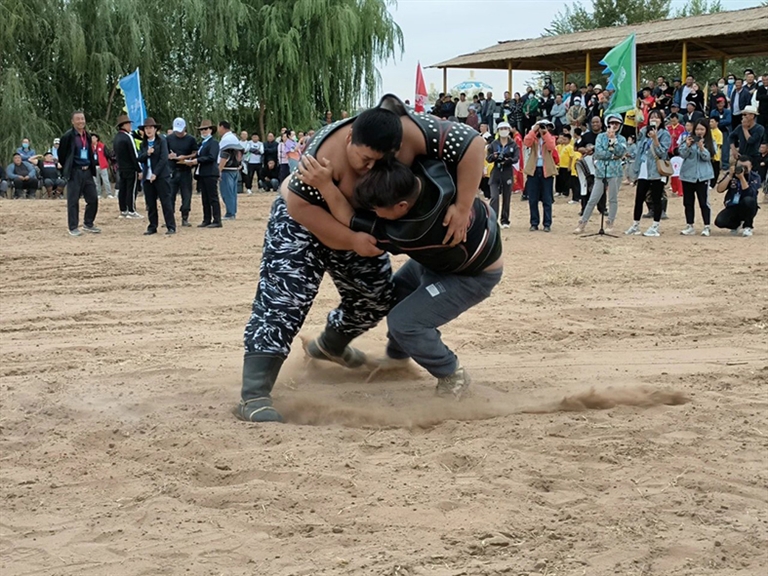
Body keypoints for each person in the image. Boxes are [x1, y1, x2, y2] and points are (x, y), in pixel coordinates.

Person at [235, 95, 484, 423]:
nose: (370, 168)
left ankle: (330, 346)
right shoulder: (319, 160)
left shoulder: (413, 131)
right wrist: (351, 240)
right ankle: (254, 394)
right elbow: (301, 209)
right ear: (350, 137)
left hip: (360, 222)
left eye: (381, 162)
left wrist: (463, 206)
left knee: (376, 297)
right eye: (365, 159)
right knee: (285, 297)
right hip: (302, 223)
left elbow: (472, 143)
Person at [302, 157, 503, 399]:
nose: (374, 213)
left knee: (405, 322)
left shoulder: (412, 230)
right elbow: (472, 147)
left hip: (469, 276)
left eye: (377, 209)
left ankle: (451, 373)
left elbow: (349, 220)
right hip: (442, 258)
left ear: (401, 206)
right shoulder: (435, 172)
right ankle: (397, 359)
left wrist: (325, 186)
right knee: (395, 294)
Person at [574, 114, 627, 234]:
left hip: (615, 172)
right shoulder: (600, 137)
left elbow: (620, 152)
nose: (614, 126)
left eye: (617, 124)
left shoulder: (621, 139)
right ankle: (582, 222)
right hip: (601, 171)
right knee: (593, 198)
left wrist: (613, 141)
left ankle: (610, 222)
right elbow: (599, 153)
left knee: (613, 198)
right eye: (611, 123)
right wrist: (612, 155)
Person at [625, 109, 671, 237]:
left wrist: (655, 139)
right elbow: (639, 150)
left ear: (661, 120)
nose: (654, 119)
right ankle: (635, 224)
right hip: (643, 168)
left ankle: (655, 225)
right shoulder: (644, 131)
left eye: (657, 117)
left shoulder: (664, 134)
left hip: (656, 169)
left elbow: (662, 153)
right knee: (639, 198)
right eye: (652, 117)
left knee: (656, 198)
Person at [58, 110, 100, 236]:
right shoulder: (68, 136)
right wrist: (68, 167)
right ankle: (73, 227)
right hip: (75, 171)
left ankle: (88, 223)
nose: (81, 121)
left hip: (87, 171)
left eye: (82, 118)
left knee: (93, 198)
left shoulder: (87, 136)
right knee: (73, 200)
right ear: (72, 121)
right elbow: (62, 154)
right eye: (78, 119)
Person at [137, 118, 176, 236]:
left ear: (155, 129)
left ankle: (171, 226)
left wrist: (156, 173)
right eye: (146, 128)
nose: (148, 130)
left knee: (166, 201)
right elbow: (140, 158)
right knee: (150, 203)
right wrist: (147, 153)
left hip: (161, 176)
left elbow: (163, 159)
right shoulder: (143, 144)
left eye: (150, 128)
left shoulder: (162, 141)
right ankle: (152, 226)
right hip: (147, 177)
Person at [678, 119, 716, 236]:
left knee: (703, 202)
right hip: (688, 175)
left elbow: (708, 158)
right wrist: (687, 145)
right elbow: (682, 154)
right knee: (688, 202)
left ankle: (707, 226)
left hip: (703, 176)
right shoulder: (688, 140)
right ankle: (690, 225)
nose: (699, 132)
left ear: (706, 130)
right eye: (697, 129)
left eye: (702, 129)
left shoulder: (710, 142)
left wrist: (702, 148)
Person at [523, 119, 559, 232]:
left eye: (547, 127)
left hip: (546, 170)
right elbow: (526, 142)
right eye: (542, 126)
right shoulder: (533, 138)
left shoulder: (550, 137)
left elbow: (551, 146)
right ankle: (534, 223)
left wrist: (545, 133)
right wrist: (534, 130)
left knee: (547, 199)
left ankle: (547, 223)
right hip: (533, 170)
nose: (544, 128)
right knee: (532, 199)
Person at [714, 155, 760, 237]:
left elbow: (749, 193)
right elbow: (719, 189)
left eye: (745, 167)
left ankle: (748, 226)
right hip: (733, 205)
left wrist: (742, 178)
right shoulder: (732, 175)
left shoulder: (755, 177)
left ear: (751, 167)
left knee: (748, 200)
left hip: (748, 206)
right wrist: (730, 176)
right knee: (719, 221)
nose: (742, 169)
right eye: (740, 166)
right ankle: (736, 225)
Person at [187, 119, 222, 228]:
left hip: (210, 173)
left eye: (205, 129)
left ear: (211, 130)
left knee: (213, 197)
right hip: (202, 173)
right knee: (205, 198)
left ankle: (217, 220)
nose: (203, 131)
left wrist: (197, 160)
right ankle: (206, 219)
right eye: (202, 130)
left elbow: (212, 157)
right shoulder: (202, 144)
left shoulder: (214, 143)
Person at [486, 121, 519, 229]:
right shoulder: (494, 144)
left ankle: (505, 220)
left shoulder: (513, 144)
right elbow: (488, 158)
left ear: (509, 130)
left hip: (507, 171)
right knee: (494, 197)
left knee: (507, 196)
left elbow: (516, 158)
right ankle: (493, 220)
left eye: (505, 128)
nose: (503, 131)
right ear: (498, 131)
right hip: (496, 171)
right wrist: (494, 156)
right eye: (501, 129)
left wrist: (509, 160)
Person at [166, 118, 198, 227]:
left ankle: (185, 217)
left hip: (185, 171)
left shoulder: (191, 139)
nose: (178, 133)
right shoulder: (169, 139)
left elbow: (195, 153)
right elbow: (164, 152)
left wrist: (185, 157)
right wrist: (169, 156)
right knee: (170, 196)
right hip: (172, 170)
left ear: (184, 128)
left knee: (186, 195)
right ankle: (169, 218)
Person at [113, 114, 143, 219]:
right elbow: (134, 154)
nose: (130, 126)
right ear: (124, 125)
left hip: (121, 167)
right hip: (130, 168)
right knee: (131, 189)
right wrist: (139, 169)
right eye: (129, 124)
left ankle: (123, 210)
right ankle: (131, 210)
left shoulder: (116, 137)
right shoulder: (128, 137)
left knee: (123, 189)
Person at [217, 121, 241, 220]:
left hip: (227, 169)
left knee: (227, 192)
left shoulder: (226, 140)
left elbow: (224, 156)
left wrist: (219, 169)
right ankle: (232, 211)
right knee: (232, 192)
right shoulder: (234, 138)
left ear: (222, 127)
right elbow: (240, 153)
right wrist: (239, 163)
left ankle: (230, 213)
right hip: (234, 168)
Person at [709, 117, 723, 187]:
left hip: (715, 155)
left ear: (717, 123)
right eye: (710, 122)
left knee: (715, 170)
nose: (710, 123)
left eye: (712, 122)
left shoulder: (718, 133)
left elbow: (718, 144)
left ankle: (713, 184)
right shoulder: (709, 131)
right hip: (709, 154)